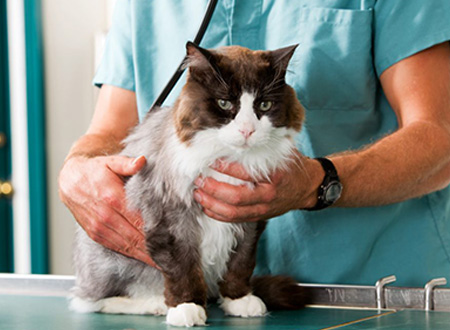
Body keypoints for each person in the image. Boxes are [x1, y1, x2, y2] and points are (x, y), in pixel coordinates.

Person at [59, 0, 450, 287]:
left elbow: (440, 137)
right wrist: (76, 170)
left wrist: (316, 182)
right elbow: (110, 131)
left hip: (374, 290)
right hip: (205, 297)